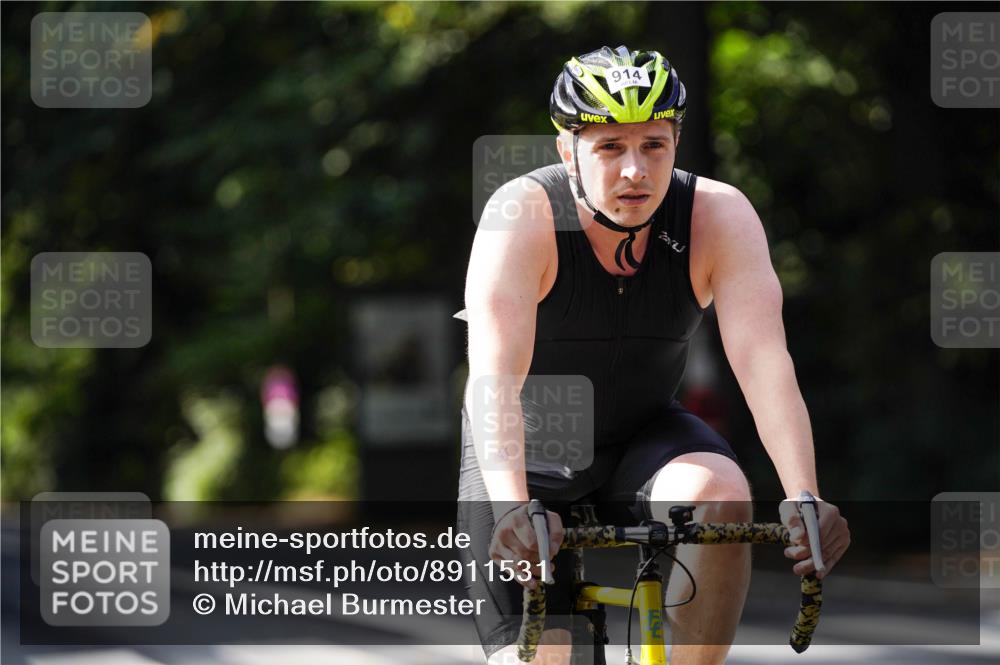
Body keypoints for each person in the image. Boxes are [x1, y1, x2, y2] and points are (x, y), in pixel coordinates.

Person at [457, 45, 850, 665]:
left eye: (654, 146)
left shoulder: (719, 215)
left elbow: (764, 360)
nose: (635, 170)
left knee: (722, 495)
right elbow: (495, 382)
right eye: (610, 147)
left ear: (676, 145)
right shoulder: (523, 215)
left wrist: (804, 493)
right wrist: (509, 508)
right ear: (569, 152)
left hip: (645, 436)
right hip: (527, 455)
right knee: (546, 659)